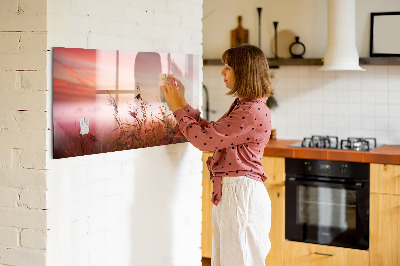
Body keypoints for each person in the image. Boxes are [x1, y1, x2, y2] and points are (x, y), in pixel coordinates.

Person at [161, 44, 273, 266]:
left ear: (244, 72)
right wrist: (183, 103)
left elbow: (204, 141)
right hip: (236, 193)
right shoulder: (246, 106)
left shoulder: (250, 111)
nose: (222, 72)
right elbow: (212, 133)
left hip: (241, 195)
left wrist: (176, 108)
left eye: (228, 67)